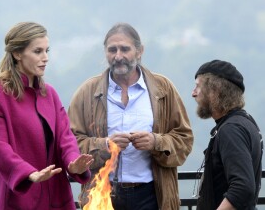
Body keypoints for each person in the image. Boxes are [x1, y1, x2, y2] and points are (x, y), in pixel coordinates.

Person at [68, 22, 194, 210]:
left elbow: (185, 140)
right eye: (112, 50)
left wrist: (155, 142)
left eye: (125, 49)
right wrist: (105, 145)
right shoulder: (87, 93)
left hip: (152, 195)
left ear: (139, 51)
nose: (118, 56)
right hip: (102, 193)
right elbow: (69, 145)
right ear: (105, 52)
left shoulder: (163, 89)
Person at [0, 22, 94, 210]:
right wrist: (28, 173)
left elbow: (65, 139)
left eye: (46, 51)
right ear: (17, 54)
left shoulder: (49, 94)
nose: (45, 58)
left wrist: (73, 164)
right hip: (19, 198)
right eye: (38, 51)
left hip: (56, 197)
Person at [192, 59, 263, 210]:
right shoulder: (245, 121)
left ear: (215, 91)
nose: (193, 93)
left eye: (198, 87)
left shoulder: (231, 130)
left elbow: (242, 188)